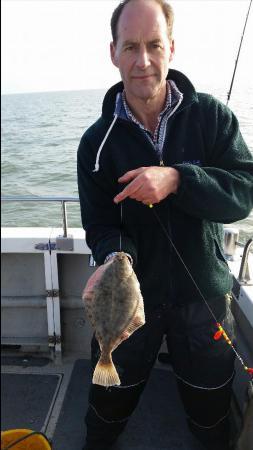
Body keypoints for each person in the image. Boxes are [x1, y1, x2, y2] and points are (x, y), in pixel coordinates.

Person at [77, 1, 253, 449]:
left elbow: (245, 191)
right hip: (135, 296)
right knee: (109, 391)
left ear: (171, 48)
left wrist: (179, 178)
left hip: (205, 297)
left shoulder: (212, 118)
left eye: (154, 45)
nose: (143, 60)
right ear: (113, 51)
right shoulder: (96, 144)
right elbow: (98, 223)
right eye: (131, 46)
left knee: (210, 400)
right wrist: (115, 256)